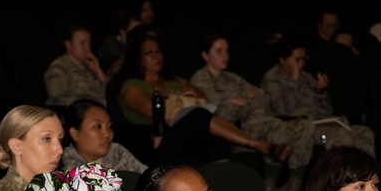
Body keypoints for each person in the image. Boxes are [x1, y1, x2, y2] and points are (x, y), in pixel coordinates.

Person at [112, 31, 288, 166]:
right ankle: (258, 145)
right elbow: (154, 111)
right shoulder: (132, 85)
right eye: (149, 53)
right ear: (137, 59)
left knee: (215, 135)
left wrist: (177, 101)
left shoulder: (173, 81)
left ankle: (222, 186)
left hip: (186, 135)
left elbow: (202, 98)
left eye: (158, 52)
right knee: (198, 114)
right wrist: (182, 101)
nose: (157, 56)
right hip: (154, 142)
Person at [190, 33, 314, 191]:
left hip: (262, 121)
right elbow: (219, 113)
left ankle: (292, 188)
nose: (225, 55)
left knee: (306, 126)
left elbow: (263, 97)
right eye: (218, 51)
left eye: (226, 51)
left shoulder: (232, 78)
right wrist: (240, 102)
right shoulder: (199, 81)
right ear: (205, 55)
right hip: (237, 132)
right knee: (278, 130)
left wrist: (238, 102)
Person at [261, 36, 376, 156]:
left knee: (364, 133)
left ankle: (366, 174)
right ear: (282, 60)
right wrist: (294, 80)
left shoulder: (306, 77)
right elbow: (283, 111)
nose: (301, 63)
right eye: (297, 59)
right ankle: (341, 174)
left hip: (320, 124)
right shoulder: (272, 79)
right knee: (340, 135)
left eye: (304, 59)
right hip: (298, 129)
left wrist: (319, 92)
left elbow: (328, 111)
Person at [60, 98, 146, 173]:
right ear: (74, 133)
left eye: (109, 126)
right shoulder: (61, 165)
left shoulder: (118, 154)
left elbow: (152, 180)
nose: (107, 133)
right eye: (97, 126)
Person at [44, 23, 108, 107]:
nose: (87, 48)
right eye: (82, 43)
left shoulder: (90, 66)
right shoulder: (58, 67)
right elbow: (56, 98)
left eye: (89, 44)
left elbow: (110, 93)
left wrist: (97, 70)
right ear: (68, 44)